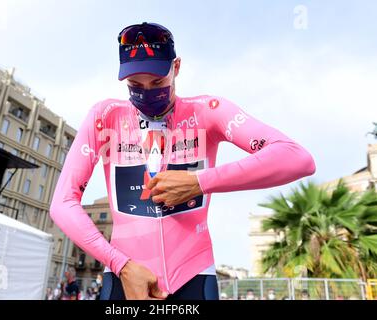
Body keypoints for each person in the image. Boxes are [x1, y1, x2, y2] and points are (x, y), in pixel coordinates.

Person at [49, 22, 316, 301]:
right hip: (126, 277)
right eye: (135, 85)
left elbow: (297, 158)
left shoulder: (208, 111)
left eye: (157, 82)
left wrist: (200, 182)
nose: (147, 92)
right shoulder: (105, 116)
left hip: (194, 275)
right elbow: (62, 204)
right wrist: (121, 265)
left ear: (176, 67)